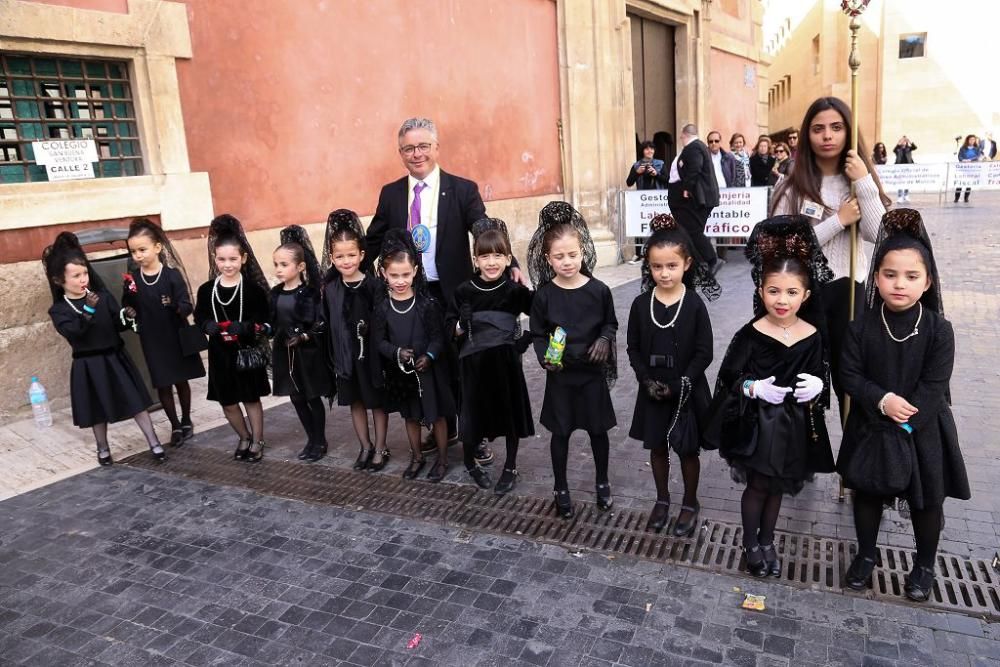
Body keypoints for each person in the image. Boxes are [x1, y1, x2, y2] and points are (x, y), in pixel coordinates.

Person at [365, 117, 519, 464]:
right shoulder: (391, 194)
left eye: (423, 146)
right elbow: (373, 239)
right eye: (408, 148)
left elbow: (483, 228)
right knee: (431, 366)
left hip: (453, 293)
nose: (416, 154)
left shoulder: (462, 189)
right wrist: (342, 271)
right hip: (413, 297)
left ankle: (474, 434)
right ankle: (443, 429)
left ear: (436, 147)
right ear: (400, 152)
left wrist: (512, 263)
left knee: (464, 365)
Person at [838, 209, 969, 602]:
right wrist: (881, 401)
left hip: (922, 429)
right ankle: (865, 554)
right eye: (890, 274)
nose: (900, 284)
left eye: (912, 276)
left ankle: (925, 564)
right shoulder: (859, 326)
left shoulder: (937, 329)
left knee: (926, 501)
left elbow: (934, 384)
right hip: (871, 424)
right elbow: (850, 376)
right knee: (867, 494)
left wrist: (907, 421)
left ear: (927, 282)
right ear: (876, 277)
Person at [707, 216, 836, 578]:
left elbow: (820, 371)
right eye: (774, 291)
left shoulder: (811, 334)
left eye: (792, 292)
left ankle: (768, 540)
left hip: (794, 426)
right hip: (757, 425)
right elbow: (730, 378)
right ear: (761, 291)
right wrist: (753, 387)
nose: (782, 300)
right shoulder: (751, 333)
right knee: (759, 484)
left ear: (805, 295)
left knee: (778, 485)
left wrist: (820, 385)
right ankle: (750, 542)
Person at [770, 96, 890, 412]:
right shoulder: (792, 182)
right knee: (803, 387)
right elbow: (785, 246)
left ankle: (854, 459)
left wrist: (864, 182)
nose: (827, 136)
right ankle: (804, 455)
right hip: (804, 297)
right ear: (806, 135)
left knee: (851, 385)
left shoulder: (858, 177)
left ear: (848, 132)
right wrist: (838, 221)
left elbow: (878, 235)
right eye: (818, 128)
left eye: (836, 128)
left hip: (850, 295)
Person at [626, 214, 720, 536]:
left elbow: (704, 351)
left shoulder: (694, 304)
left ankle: (690, 502)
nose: (664, 273)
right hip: (652, 388)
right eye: (656, 267)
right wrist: (645, 380)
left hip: (686, 388)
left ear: (687, 264)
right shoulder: (641, 305)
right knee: (657, 447)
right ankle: (662, 499)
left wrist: (683, 383)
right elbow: (633, 348)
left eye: (671, 266)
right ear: (648, 266)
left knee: (687, 449)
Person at [43, 231, 166, 466]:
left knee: (137, 403)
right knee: (97, 410)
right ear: (60, 281)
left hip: (115, 357)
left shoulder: (102, 297)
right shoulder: (59, 310)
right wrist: (88, 310)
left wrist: (126, 316)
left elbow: (117, 325)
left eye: (85, 273)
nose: (83, 280)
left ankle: (154, 442)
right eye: (76, 276)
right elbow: (74, 332)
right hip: (88, 364)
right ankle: (102, 448)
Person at [528, 202, 618, 519]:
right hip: (561, 376)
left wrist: (605, 339)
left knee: (598, 432)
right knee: (561, 433)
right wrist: (544, 359)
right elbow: (538, 333)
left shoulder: (599, 290)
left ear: (583, 251)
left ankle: (602, 481)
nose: (567, 262)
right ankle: (561, 487)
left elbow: (611, 322)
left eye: (572, 254)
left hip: (592, 375)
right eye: (559, 256)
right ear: (547, 258)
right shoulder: (544, 296)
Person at [449, 218, 534, 494]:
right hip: (473, 365)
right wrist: (461, 324)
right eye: (484, 256)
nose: (491, 262)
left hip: (506, 364)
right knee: (473, 416)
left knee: (509, 415)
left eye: (498, 255)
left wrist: (527, 340)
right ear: (475, 260)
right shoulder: (464, 291)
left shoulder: (514, 291)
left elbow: (541, 312)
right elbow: (451, 330)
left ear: (508, 258)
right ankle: (470, 462)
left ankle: (510, 466)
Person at [371, 229, 456, 483]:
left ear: (416, 271)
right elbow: (379, 341)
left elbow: (438, 337)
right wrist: (397, 352)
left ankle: (441, 459)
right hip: (403, 373)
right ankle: (417, 456)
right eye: (394, 275)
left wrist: (429, 355)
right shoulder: (383, 308)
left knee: (436, 415)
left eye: (406, 274)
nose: (400, 280)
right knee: (410, 416)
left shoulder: (426, 304)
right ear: (384, 274)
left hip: (429, 372)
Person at [194, 215, 272, 463]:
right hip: (220, 354)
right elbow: (200, 316)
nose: (227, 264)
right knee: (227, 401)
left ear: (243, 258)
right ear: (215, 259)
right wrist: (208, 325)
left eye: (233, 259)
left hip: (245, 352)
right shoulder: (207, 290)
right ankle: (244, 436)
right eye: (222, 259)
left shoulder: (252, 290)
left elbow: (264, 322)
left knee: (251, 398)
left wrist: (246, 327)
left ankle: (258, 440)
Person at [122, 218, 205, 447]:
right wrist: (129, 310)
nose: (137, 255)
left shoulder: (171, 275)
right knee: (163, 384)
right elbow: (127, 305)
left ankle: (187, 419)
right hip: (152, 339)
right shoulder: (133, 280)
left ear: (157, 247)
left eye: (142, 249)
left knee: (181, 380)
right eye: (133, 251)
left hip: (175, 336)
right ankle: (175, 425)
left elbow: (186, 304)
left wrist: (175, 306)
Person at [322, 209, 390, 472]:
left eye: (351, 255)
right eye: (339, 256)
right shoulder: (330, 290)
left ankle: (381, 447)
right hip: (345, 356)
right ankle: (365, 445)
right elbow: (328, 323)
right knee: (356, 402)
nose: (346, 261)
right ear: (332, 258)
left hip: (371, 357)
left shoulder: (374, 287)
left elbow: (383, 322)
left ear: (362, 255)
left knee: (377, 403)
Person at [269, 226, 332, 463]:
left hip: (306, 354)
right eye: (276, 264)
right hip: (284, 353)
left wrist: (304, 336)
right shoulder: (275, 294)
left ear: (301, 267)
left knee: (311, 397)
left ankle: (321, 440)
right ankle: (310, 438)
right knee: (296, 398)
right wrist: (264, 329)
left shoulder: (309, 294)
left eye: (284, 264)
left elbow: (319, 323)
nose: (279, 269)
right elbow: (272, 321)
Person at [667, 124, 724, 275]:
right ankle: (700, 263)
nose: (680, 139)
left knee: (693, 230)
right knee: (689, 231)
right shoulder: (699, 146)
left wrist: (687, 188)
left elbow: (695, 168)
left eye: (681, 136)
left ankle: (712, 260)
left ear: (685, 135)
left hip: (700, 198)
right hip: (702, 198)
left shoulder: (693, 147)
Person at [626, 140, 668, 264]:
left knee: (659, 226)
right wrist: (637, 173)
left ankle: (660, 252)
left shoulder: (660, 164)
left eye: (652, 149)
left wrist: (657, 174)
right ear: (642, 151)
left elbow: (668, 180)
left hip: (657, 200)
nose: (649, 151)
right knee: (639, 225)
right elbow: (629, 182)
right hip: (641, 200)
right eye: (646, 149)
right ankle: (639, 253)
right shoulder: (637, 165)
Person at [955, 134, 982, 203]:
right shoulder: (963, 148)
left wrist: (971, 160)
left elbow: (978, 156)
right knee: (960, 183)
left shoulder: (977, 148)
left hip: (972, 169)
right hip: (963, 169)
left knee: (969, 183)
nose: (972, 141)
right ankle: (956, 198)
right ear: (968, 140)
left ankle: (966, 197)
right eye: (971, 139)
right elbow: (959, 156)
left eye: (973, 139)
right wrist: (963, 160)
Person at [893, 136, 917, 203]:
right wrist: (899, 142)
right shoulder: (898, 149)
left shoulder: (908, 148)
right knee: (900, 182)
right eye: (902, 141)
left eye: (904, 141)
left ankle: (906, 195)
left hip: (908, 168)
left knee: (907, 182)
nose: (903, 142)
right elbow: (894, 150)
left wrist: (909, 140)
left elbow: (915, 147)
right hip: (899, 168)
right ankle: (900, 196)